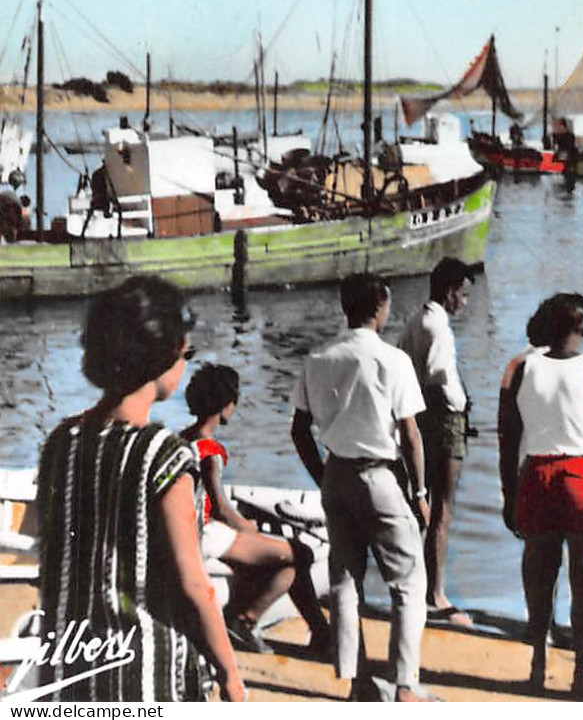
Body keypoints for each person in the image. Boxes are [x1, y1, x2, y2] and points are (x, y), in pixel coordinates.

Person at [36, 278, 245, 702]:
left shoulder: (61, 442)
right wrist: (231, 675)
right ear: (164, 356)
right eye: (184, 352)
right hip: (146, 677)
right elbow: (193, 585)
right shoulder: (163, 454)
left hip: (69, 673)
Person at [291, 272, 432, 702]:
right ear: (380, 308)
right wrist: (421, 493)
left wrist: (323, 476)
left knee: (345, 579)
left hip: (337, 474)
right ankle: (405, 685)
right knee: (408, 583)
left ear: (344, 307)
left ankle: (356, 681)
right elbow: (410, 435)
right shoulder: (393, 360)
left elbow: (299, 430)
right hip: (380, 476)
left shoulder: (317, 357)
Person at [498, 292, 583, 695]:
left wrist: (509, 492)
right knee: (582, 576)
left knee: (538, 576)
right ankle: (581, 669)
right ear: (582, 330)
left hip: (536, 474)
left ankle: (539, 660)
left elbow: (507, 437)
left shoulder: (518, 368)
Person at [180, 363, 331, 655]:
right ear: (226, 406)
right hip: (207, 533)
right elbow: (221, 508)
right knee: (301, 554)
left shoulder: (181, 439)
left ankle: (318, 632)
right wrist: (247, 527)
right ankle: (244, 621)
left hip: (194, 527)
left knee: (286, 558)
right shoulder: (210, 449)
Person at [398, 256, 477, 629]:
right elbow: (440, 379)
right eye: (462, 295)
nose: (465, 302)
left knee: (422, 503)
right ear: (449, 292)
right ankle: (436, 593)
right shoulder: (439, 327)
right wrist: (461, 407)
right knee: (443, 509)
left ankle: (420, 586)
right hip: (443, 418)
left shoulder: (415, 319)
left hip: (417, 416)